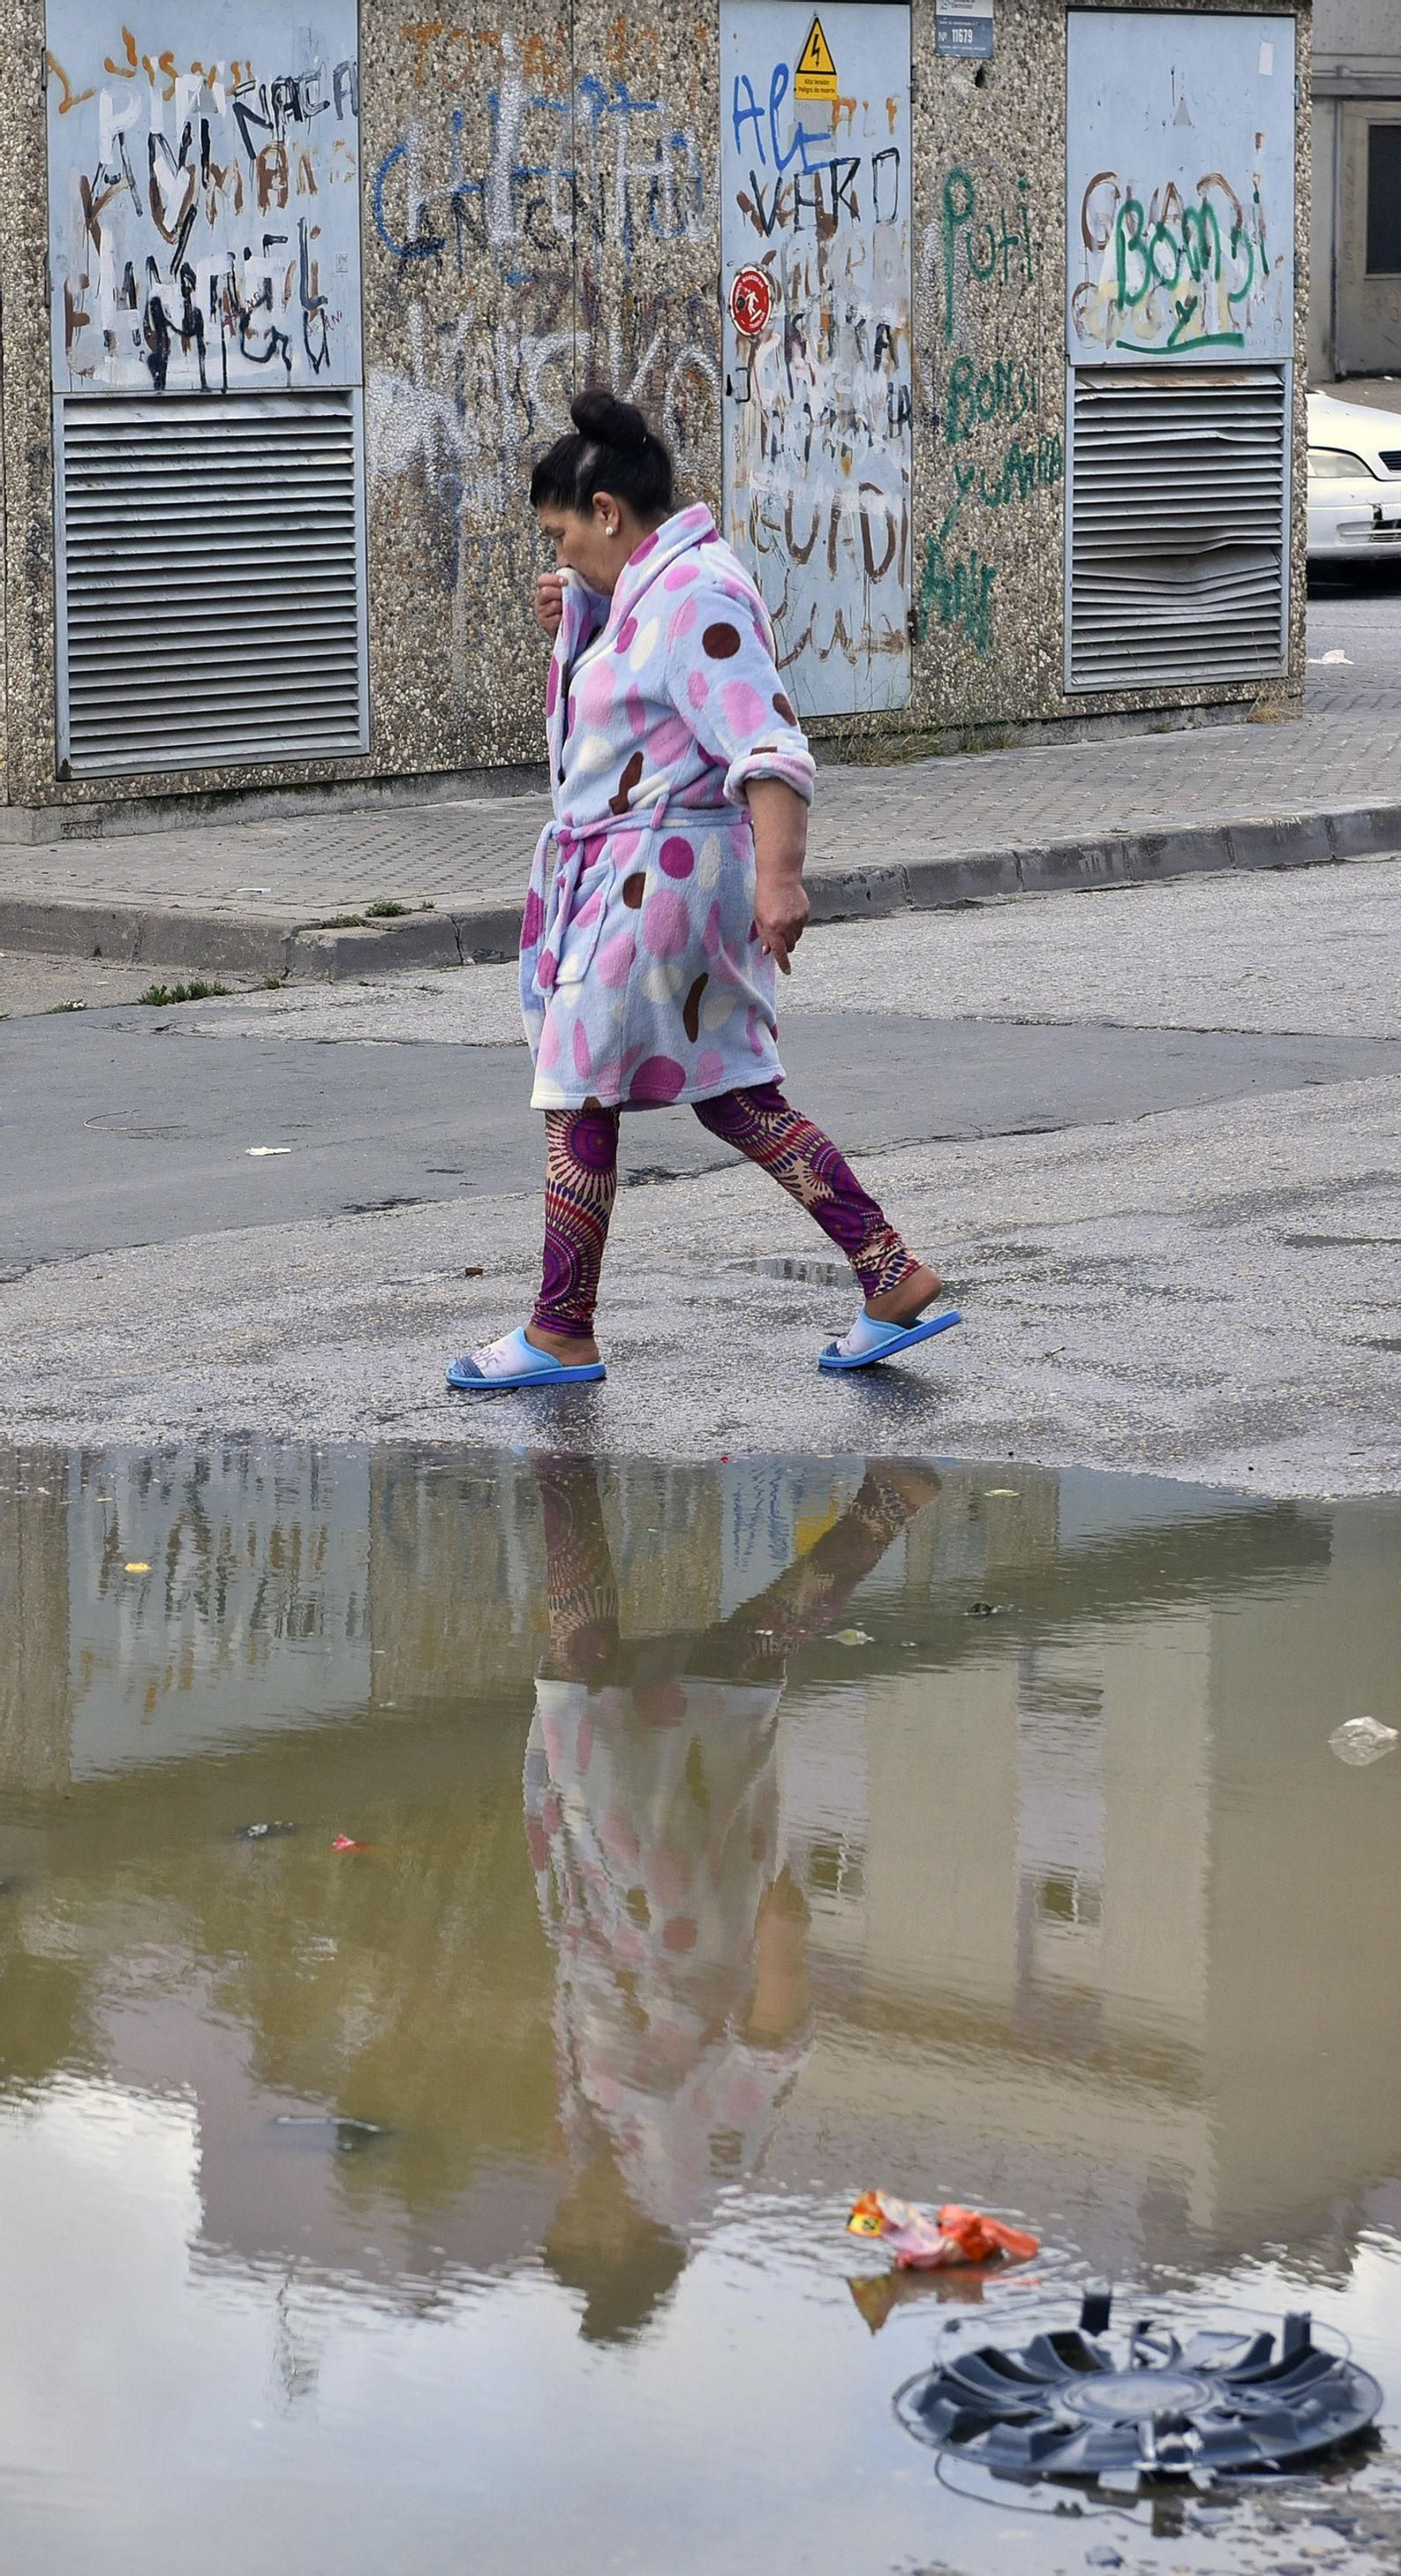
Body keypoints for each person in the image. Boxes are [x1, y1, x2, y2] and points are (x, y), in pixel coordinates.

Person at [447, 390, 961, 1392]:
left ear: (607, 512)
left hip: (655, 883)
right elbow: (633, 707)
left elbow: (767, 740)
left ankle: (561, 1327)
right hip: (659, 875)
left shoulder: (695, 594)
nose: (557, 560)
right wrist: (584, 611)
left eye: (563, 537)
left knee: (576, 1093)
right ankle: (887, 1269)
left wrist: (781, 878)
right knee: (732, 1090)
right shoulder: (651, 588)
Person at [524, 1451, 943, 2339]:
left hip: (615, 1899)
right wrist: (783, 1928)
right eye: (580, 2225)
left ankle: (883, 1508)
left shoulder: (618, 2154)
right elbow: (768, 2054)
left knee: (717, 1662)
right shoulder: (687, 2179)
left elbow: (587, 2032)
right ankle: (561, 1462)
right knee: (585, 1675)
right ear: (622, 2240)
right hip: (672, 1901)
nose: (570, 2205)